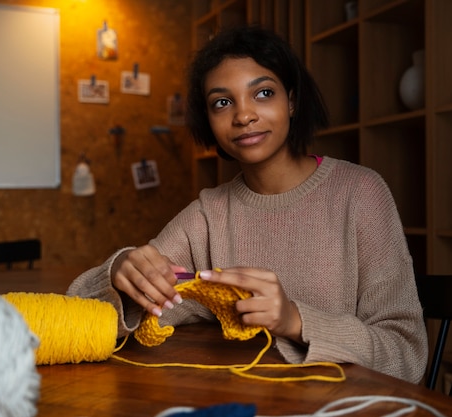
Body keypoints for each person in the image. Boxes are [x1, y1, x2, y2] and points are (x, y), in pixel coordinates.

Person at [67, 25, 428, 384]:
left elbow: (407, 355)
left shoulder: (360, 193)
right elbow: (81, 316)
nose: (243, 116)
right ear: (208, 120)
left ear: (292, 100)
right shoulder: (208, 215)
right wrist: (118, 275)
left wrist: (295, 321)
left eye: (263, 93)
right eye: (222, 102)